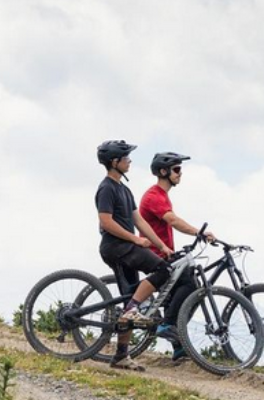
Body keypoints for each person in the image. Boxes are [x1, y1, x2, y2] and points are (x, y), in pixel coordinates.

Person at [95, 140, 174, 371]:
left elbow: (139, 220)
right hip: (116, 247)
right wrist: (135, 239)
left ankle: (120, 356)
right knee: (162, 270)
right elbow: (106, 221)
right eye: (126, 158)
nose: (130, 161)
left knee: (131, 295)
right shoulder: (107, 188)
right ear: (114, 162)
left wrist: (162, 245)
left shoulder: (124, 189)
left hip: (125, 246)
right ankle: (132, 309)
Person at [140, 152, 215, 362]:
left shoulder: (162, 195)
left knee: (179, 295)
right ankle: (168, 327)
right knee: (190, 284)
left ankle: (178, 346)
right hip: (154, 254)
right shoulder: (154, 195)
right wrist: (198, 232)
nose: (180, 174)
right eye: (177, 169)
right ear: (164, 172)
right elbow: (172, 220)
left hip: (164, 253)